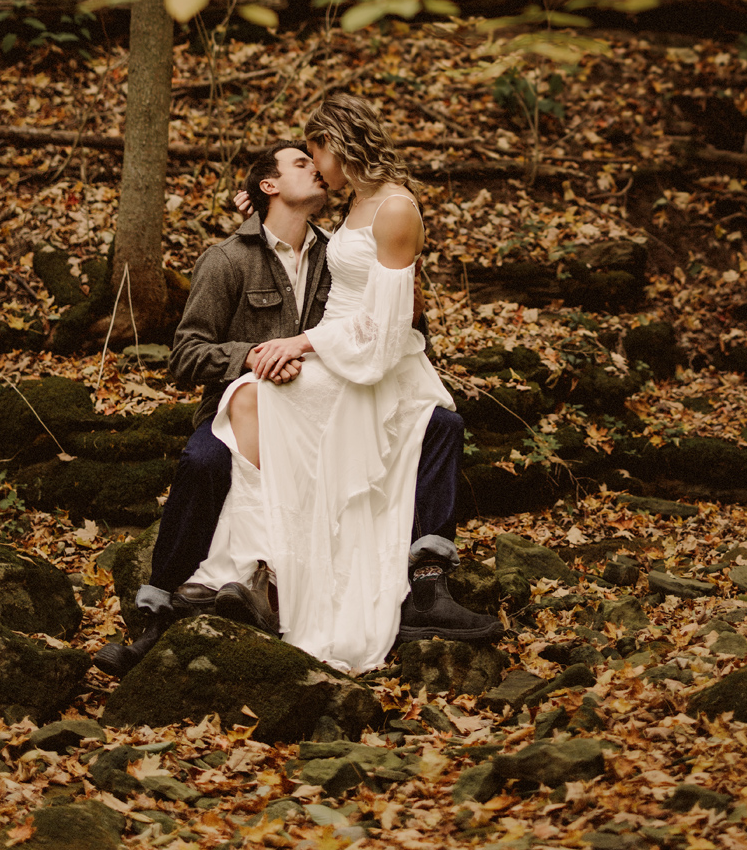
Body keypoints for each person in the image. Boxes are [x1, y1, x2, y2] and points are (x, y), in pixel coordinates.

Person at [95, 137, 501, 676]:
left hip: (336, 406)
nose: (317, 169)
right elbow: (185, 355)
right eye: (301, 162)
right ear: (269, 185)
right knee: (203, 461)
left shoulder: (340, 252)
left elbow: (383, 317)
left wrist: (409, 292)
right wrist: (252, 357)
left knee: (440, 423)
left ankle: (427, 583)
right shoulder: (227, 259)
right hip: (248, 413)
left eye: (315, 160)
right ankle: (159, 612)